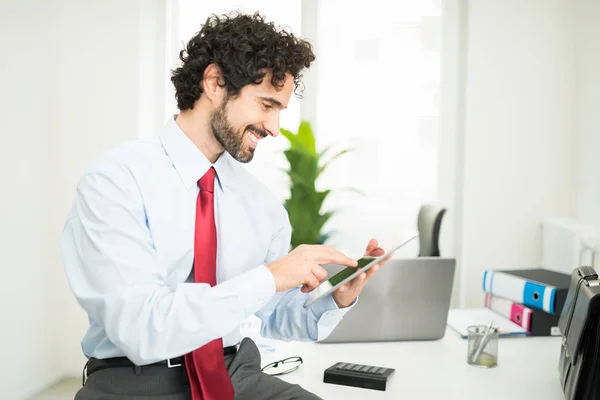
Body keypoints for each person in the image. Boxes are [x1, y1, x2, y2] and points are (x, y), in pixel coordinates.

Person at [61, 11, 388, 400]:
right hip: (135, 381)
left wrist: (335, 297)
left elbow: (274, 313)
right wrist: (269, 275)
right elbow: (141, 329)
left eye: (280, 109)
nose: (274, 127)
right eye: (267, 104)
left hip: (235, 373)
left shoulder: (261, 206)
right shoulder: (115, 181)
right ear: (215, 82)